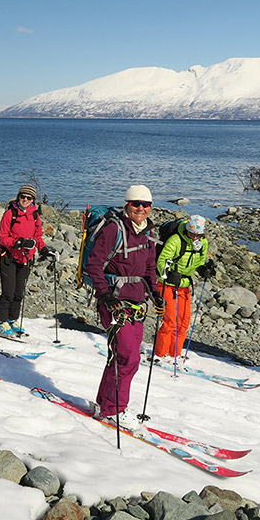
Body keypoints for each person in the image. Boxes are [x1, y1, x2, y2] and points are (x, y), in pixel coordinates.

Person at [84, 184, 163, 430]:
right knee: (128, 358)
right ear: (127, 205)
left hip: (137, 304)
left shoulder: (149, 234)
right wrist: (105, 295)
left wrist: (157, 294)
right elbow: (94, 265)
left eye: (146, 204)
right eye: (136, 203)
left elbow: (150, 269)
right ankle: (115, 410)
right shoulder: (113, 229)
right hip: (115, 303)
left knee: (120, 357)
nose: (141, 208)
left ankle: (104, 404)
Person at [0, 184, 56, 337]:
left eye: (29, 198)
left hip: (26, 259)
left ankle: (12, 320)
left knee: (18, 292)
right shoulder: (10, 214)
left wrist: (44, 250)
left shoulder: (34, 215)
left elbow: (37, 237)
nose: (25, 200)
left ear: (33, 200)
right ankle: (0, 323)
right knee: (8, 292)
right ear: (18, 197)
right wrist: (18, 243)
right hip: (8, 257)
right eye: (23, 197)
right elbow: (2, 238)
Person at [154, 215, 213, 358]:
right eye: (192, 234)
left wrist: (204, 270)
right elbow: (161, 261)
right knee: (170, 322)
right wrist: (169, 273)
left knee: (184, 322)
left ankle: (175, 355)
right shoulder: (175, 240)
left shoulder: (202, 242)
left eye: (198, 235)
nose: (194, 238)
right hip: (167, 285)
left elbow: (199, 262)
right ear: (187, 230)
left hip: (184, 285)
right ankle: (160, 354)